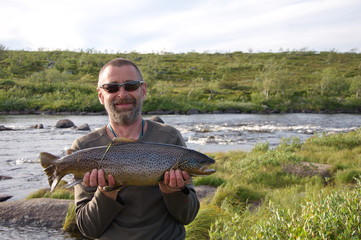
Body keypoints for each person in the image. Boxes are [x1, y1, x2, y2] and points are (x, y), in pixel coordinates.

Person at [70, 58, 200, 240]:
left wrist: (173, 191)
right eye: (112, 88)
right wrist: (106, 192)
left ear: (143, 90)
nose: (122, 94)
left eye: (130, 86)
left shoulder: (169, 138)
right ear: (101, 95)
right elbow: (88, 229)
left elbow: (187, 216)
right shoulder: (85, 148)